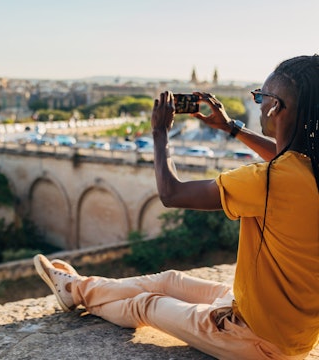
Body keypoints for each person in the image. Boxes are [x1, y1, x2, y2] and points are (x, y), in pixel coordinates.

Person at [34, 55, 319, 360]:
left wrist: (159, 133)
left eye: (261, 97)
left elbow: (171, 193)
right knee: (170, 280)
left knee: (148, 303)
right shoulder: (306, 169)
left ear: (274, 107)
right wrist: (230, 128)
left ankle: (78, 291)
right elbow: (282, 156)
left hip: (256, 340)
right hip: (286, 328)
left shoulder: (267, 181)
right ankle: (75, 289)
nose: (258, 103)